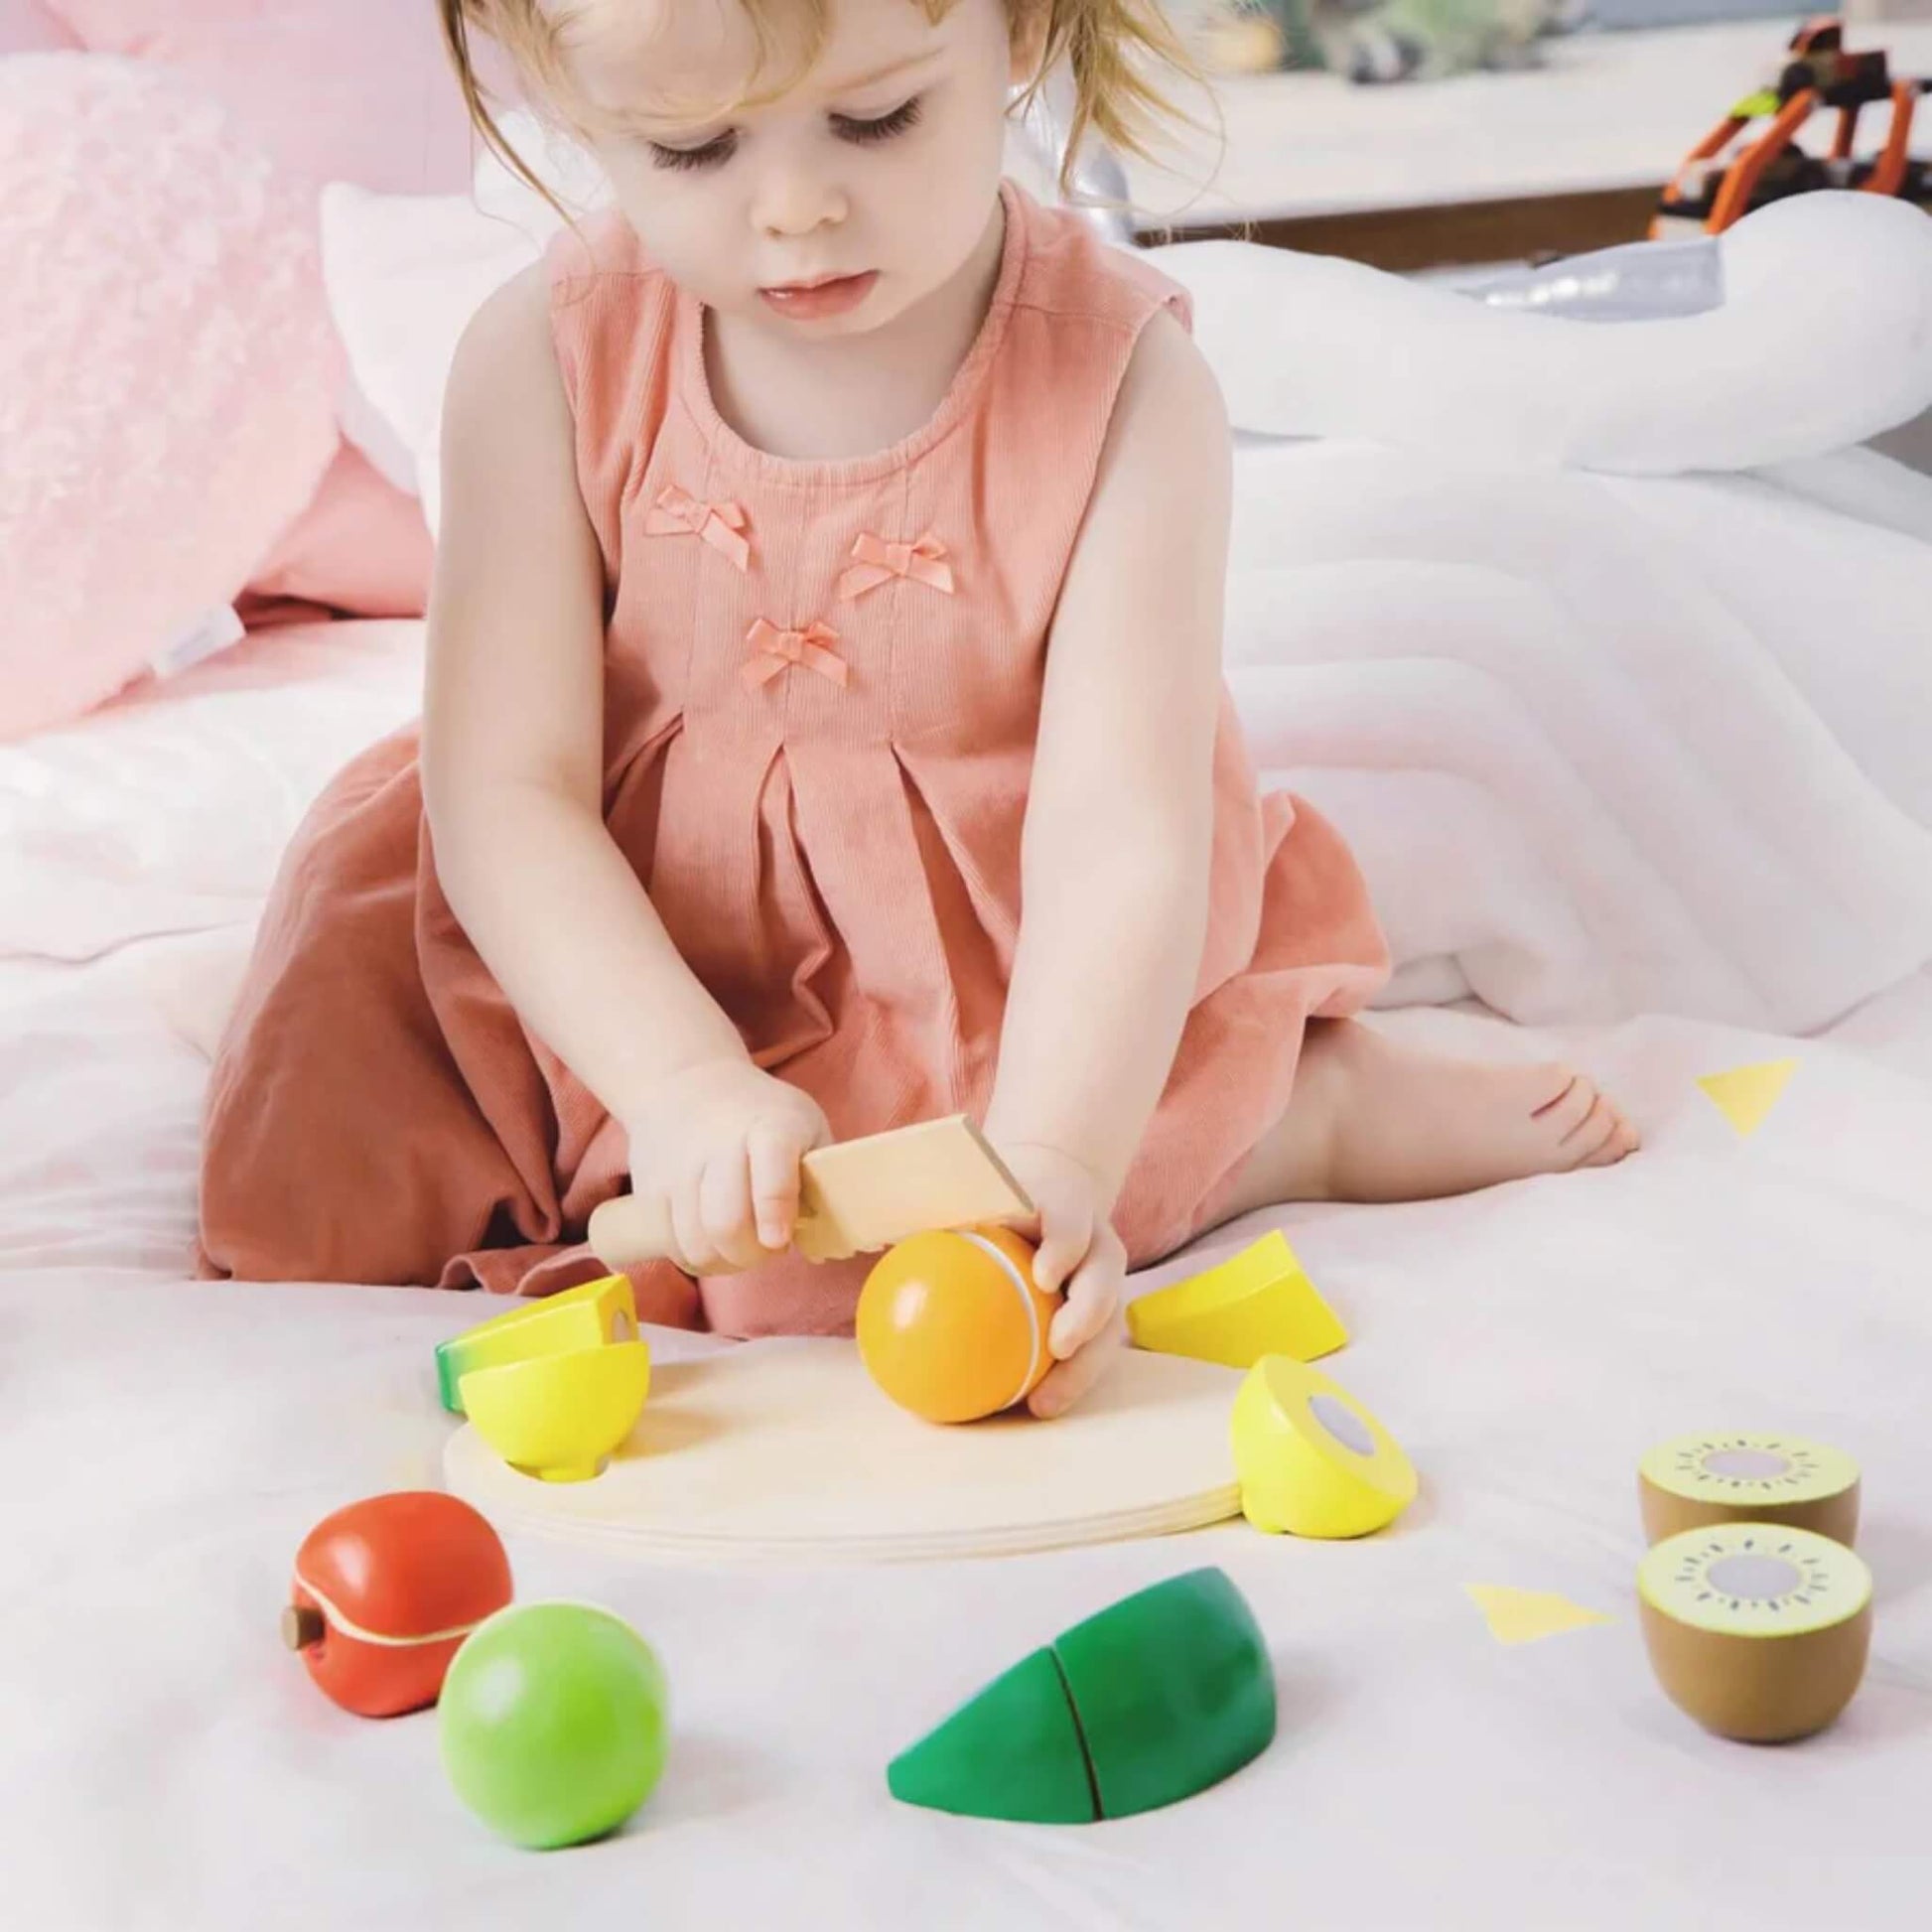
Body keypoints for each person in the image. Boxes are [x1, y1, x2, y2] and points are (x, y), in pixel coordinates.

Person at [199, 0, 1637, 1416]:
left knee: (839, 1275)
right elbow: (505, 793)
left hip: (978, 941)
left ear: (1017, 30)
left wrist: (1057, 1161)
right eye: (692, 150)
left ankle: (1290, 1107)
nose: (798, 210)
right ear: (569, 100)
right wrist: (682, 1082)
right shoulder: (542, 352)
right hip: (614, 917)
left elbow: (1118, 832)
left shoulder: (1123, 384)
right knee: (303, 1205)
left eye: (876, 118)